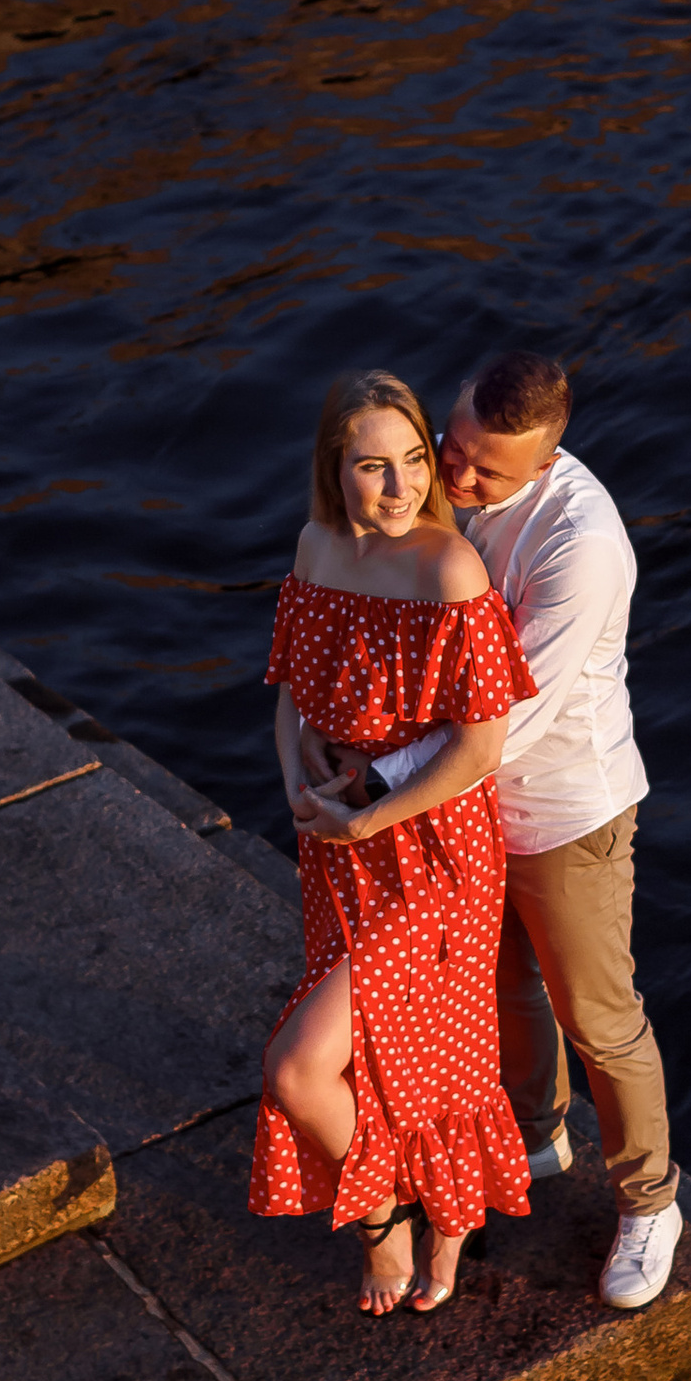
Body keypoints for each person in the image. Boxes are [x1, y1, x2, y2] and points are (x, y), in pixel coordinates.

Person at [252, 366, 539, 1317]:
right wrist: (296, 779)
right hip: (336, 841)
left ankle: (385, 1226)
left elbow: (480, 745)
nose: (403, 486)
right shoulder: (315, 549)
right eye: (374, 467)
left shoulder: (448, 569)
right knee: (396, 1054)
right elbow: (292, 688)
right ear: (334, 469)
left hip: (431, 854)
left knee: (303, 1066)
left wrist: (368, 815)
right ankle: (447, 1217)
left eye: (415, 461)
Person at [440, 350, 681, 1310]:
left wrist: (381, 787)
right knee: (504, 979)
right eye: (454, 450)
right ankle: (537, 1133)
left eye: (485, 473)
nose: (457, 480)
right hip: (467, 799)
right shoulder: (448, 472)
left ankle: (651, 1199)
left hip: (566, 808)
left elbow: (514, 717)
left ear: (544, 466)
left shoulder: (580, 544)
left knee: (599, 1014)